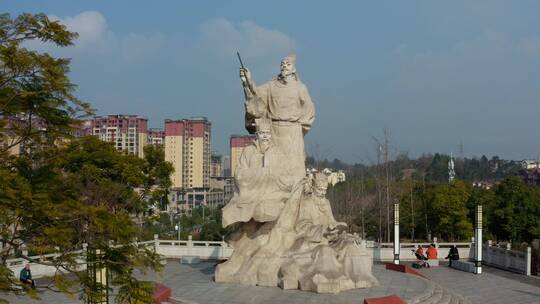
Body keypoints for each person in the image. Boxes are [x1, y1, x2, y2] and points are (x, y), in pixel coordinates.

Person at [240, 54, 315, 182]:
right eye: (282, 64)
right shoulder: (271, 86)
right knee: (273, 167)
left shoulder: (300, 87)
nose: (284, 66)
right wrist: (247, 80)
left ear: (294, 69)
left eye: (288, 64)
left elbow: (309, 109)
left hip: (293, 132)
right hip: (274, 130)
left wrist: (299, 127)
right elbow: (256, 95)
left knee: (293, 169)